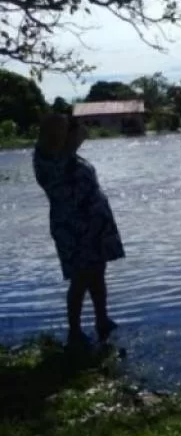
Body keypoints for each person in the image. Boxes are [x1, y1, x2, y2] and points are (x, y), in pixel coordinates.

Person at [32, 114, 124, 347]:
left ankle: (102, 320)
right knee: (81, 276)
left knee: (98, 272)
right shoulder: (47, 157)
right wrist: (73, 135)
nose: (67, 130)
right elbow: (63, 154)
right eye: (61, 127)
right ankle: (74, 331)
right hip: (73, 226)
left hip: (95, 223)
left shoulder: (69, 155)